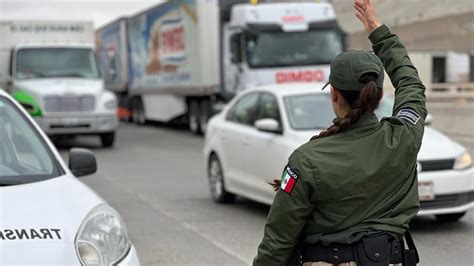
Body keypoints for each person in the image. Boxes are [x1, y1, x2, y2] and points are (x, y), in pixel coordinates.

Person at [253, 0, 426, 265]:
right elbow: (410, 83)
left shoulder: (307, 160)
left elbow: (278, 240)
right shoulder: (402, 138)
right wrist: (377, 30)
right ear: (378, 95)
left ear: (334, 94)